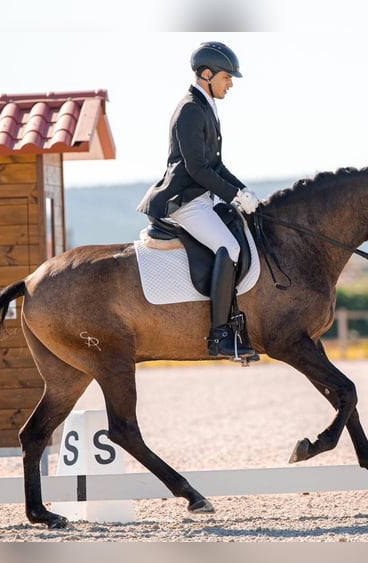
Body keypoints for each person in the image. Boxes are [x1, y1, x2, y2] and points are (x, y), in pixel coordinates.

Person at [136, 41, 260, 359]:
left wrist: (244, 192)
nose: (231, 83)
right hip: (184, 201)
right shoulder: (191, 109)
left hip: (201, 197)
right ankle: (219, 336)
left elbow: (216, 166)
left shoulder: (206, 106)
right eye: (227, 77)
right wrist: (233, 195)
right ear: (207, 74)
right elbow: (197, 168)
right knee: (229, 248)